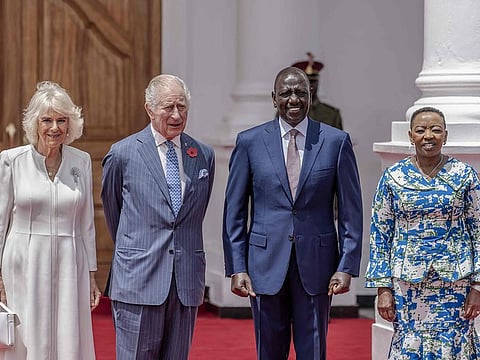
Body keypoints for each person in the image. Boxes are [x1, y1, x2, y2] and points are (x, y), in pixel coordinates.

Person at [222, 66, 363, 359]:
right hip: (264, 264)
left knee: (313, 349)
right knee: (269, 351)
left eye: (301, 92)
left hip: (317, 266)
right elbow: (234, 212)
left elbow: (351, 210)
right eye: (286, 93)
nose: (294, 99)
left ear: (310, 95)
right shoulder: (250, 142)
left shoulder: (336, 141)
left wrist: (346, 265)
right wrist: (237, 268)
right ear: (274, 98)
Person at [101, 74, 215, 360]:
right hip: (139, 279)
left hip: (185, 282)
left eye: (182, 107)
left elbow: (193, 214)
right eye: (168, 107)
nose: (176, 115)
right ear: (149, 109)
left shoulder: (203, 155)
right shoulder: (123, 153)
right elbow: (114, 210)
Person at [365, 106, 480, 358]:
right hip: (407, 283)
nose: (428, 136)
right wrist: (383, 288)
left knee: (455, 345)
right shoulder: (393, 178)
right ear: (411, 136)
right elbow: (380, 234)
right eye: (421, 130)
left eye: (436, 130)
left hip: (455, 282)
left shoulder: (464, 176)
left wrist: (478, 286)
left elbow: (478, 231)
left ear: (445, 136)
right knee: (410, 345)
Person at [0, 81, 101, 359]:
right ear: (35, 123)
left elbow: (87, 223)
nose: (54, 127)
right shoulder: (11, 161)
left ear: (70, 125)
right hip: (24, 262)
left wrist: (91, 274)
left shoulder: (81, 161)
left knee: (68, 337)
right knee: (27, 337)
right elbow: (0, 224)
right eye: (47, 120)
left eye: (61, 120)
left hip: (71, 261)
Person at [292, 52, 343, 129]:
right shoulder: (288, 112)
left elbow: (339, 140)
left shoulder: (332, 114)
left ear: (318, 82)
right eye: (306, 82)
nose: (310, 86)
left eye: (313, 82)